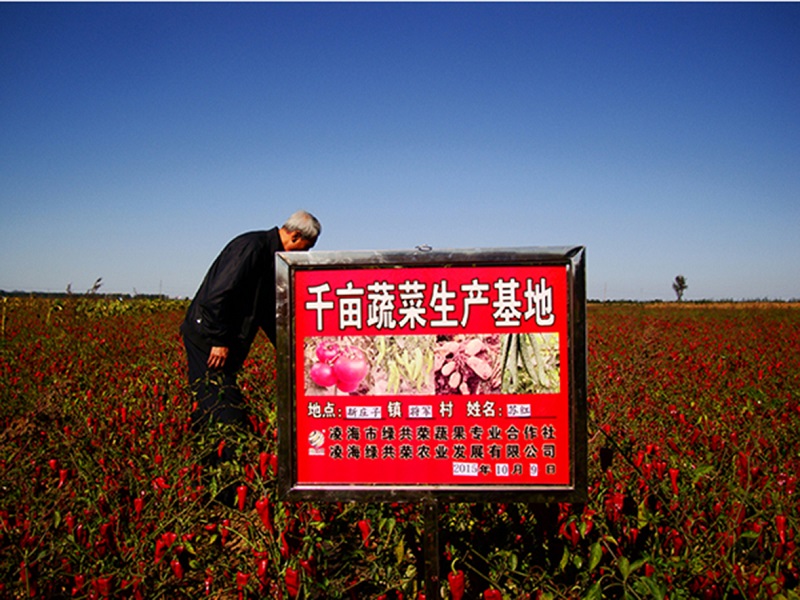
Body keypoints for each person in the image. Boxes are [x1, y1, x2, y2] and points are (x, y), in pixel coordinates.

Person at [181, 210, 320, 434]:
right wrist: (219, 340)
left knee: (209, 399)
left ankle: (205, 456)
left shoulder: (271, 256)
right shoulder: (252, 248)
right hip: (207, 336)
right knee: (222, 404)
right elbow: (218, 295)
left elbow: (265, 310)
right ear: (294, 236)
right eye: (306, 246)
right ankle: (225, 458)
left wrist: (290, 350)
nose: (305, 253)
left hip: (220, 336)